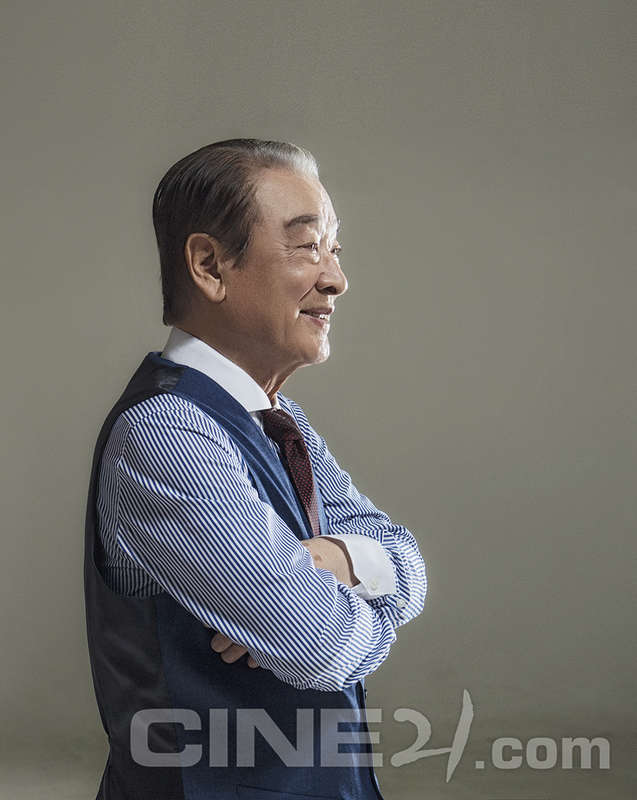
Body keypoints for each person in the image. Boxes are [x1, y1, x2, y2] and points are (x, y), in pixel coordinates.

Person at [84, 139, 427, 799]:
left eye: (335, 249)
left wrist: (342, 559)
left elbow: (405, 555)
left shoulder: (280, 419)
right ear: (210, 266)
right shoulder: (166, 435)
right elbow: (323, 646)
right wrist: (352, 592)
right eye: (306, 247)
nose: (336, 279)